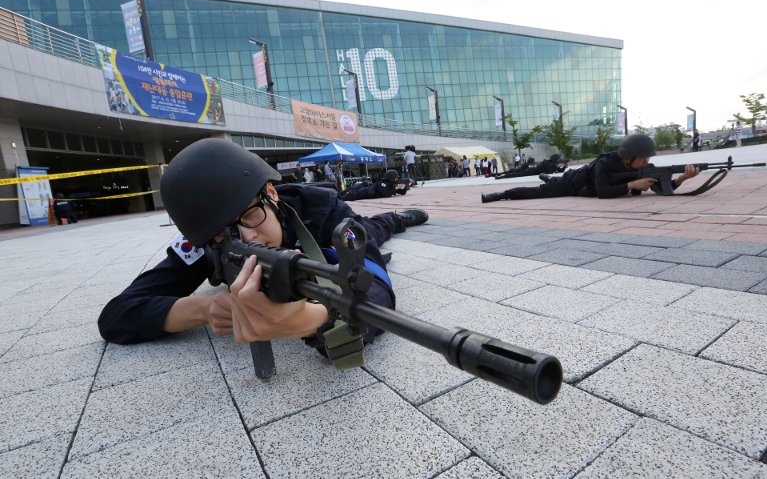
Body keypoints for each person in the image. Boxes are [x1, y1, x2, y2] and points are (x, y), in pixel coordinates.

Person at [98, 138, 429, 348]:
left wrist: (314, 320)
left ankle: (398, 218)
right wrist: (204, 308)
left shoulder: (321, 209)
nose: (246, 238)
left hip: (341, 229)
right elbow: (117, 315)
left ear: (270, 194)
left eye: (249, 217)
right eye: (223, 235)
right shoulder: (206, 240)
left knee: (372, 229)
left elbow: (376, 288)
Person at [481, 134, 699, 203]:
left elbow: (660, 188)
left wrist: (681, 180)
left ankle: (548, 177)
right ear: (629, 156)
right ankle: (502, 194)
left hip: (583, 181)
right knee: (539, 192)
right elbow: (603, 193)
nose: (645, 163)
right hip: (572, 184)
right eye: (642, 159)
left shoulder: (642, 167)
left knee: (551, 180)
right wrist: (632, 184)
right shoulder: (605, 163)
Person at [338, 170, 410, 201]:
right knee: (351, 194)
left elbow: (402, 192)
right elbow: (386, 194)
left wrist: (405, 186)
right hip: (366, 192)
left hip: (368, 191)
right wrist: (396, 188)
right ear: (391, 178)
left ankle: (339, 195)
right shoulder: (382, 183)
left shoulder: (391, 184)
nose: (397, 179)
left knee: (353, 192)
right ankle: (338, 197)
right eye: (395, 178)